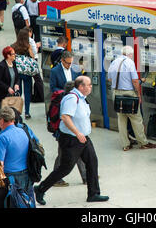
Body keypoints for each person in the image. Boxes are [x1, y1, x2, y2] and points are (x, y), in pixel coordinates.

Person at [34, 76, 109, 205]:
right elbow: (65, 117)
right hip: (71, 139)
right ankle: (40, 189)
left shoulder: (82, 99)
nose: (91, 87)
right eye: (89, 85)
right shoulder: (71, 98)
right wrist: (77, 133)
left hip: (83, 138)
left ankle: (93, 193)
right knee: (65, 168)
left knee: (92, 161)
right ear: (81, 87)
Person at [107, 45, 156, 151]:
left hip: (116, 93)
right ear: (130, 54)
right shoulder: (130, 62)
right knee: (136, 119)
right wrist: (138, 94)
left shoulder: (114, 62)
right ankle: (143, 143)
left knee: (121, 120)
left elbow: (110, 80)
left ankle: (125, 145)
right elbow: (135, 81)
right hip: (129, 94)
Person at [0, 106, 34, 195]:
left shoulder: (3, 138)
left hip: (11, 176)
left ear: (1, 120)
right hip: (27, 174)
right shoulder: (23, 131)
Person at [0, 46, 20, 115]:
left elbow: (17, 77)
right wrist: (7, 88)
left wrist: (16, 84)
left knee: (9, 115)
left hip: (8, 94)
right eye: (13, 54)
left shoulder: (13, 64)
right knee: (0, 115)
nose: (15, 55)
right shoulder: (1, 66)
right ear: (8, 56)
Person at [11, 28, 35, 119]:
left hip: (17, 72)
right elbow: (32, 57)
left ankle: (18, 111)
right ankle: (27, 112)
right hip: (26, 72)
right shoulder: (27, 46)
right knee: (27, 92)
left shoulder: (13, 46)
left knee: (18, 91)